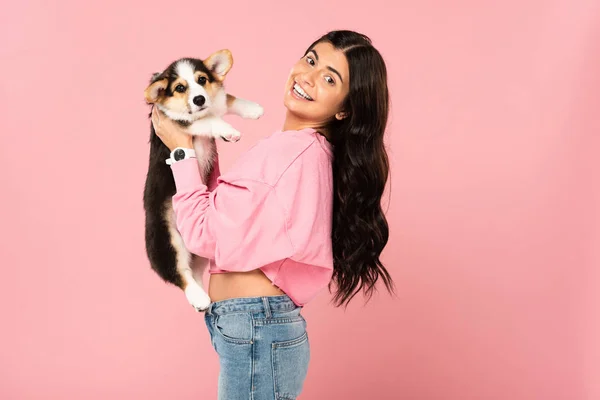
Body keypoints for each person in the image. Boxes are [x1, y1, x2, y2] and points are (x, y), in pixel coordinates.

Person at [151, 30, 395, 400]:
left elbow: (203, 233)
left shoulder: (288, 154)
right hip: (255, 324)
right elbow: (226, 218)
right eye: (310, 60)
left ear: (345, 108)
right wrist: (201, 144)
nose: (308, 77)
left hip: (256, 325)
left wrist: (181, 151)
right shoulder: (308, 153)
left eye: (330, 78)